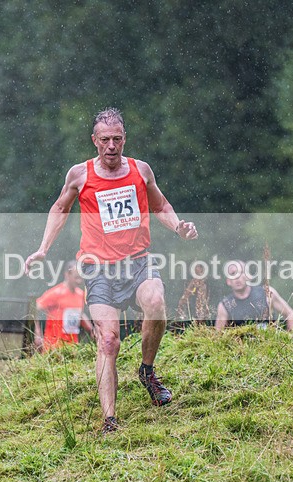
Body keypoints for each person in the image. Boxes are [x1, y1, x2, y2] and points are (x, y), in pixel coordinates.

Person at [24, 107, 198, 434]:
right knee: (108, 340)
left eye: (117, 139)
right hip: (99, 269)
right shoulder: (80, 175)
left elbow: (160, 205)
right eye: (105, 140)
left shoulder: (141, 170)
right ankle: (110, 420)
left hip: (137, 261)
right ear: (94, 141)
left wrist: (179, 227)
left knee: (157, 303)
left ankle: (147, 371)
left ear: (125, 139)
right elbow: (60, 209)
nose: (111, 146)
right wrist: (43, 248)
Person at [215, 260, 293, 331]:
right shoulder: (225, 305)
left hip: (270, 346)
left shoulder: (267, 293)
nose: (237, 277)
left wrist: (291, 337)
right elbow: (217, 336)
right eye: (233, 274)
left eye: (240, 273)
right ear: (228, 281)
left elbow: (290, 314)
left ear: (248, 276)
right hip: (241, 348)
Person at [34, 260, 94, 352]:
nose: (79, 281)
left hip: (72, 346)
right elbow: (35, 309)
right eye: (76, 278)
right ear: (67, 274)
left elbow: (79, 314)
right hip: (53, 345)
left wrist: (91, 329)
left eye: (81, 278)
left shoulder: (81, 294)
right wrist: (37, 333)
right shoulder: (56, 293)